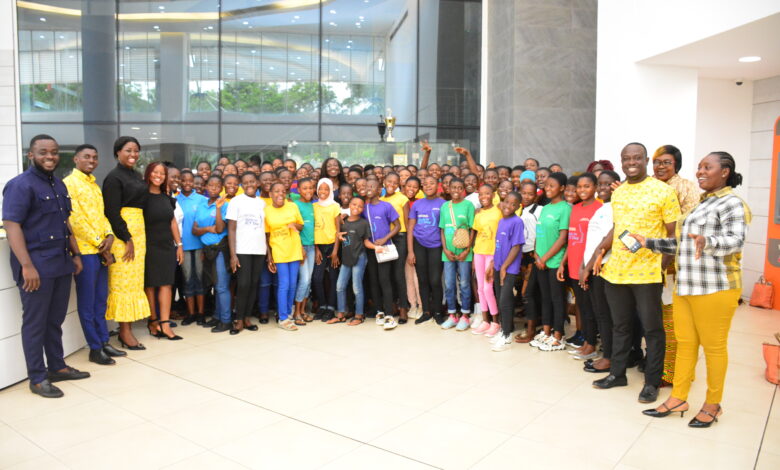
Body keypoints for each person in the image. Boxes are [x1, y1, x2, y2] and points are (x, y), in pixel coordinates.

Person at [638, 152, 750, 427]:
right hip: (686, 286)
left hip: (716, 287)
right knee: (685, 344)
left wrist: (708, 240)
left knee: (713, 348)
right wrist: (649, 243)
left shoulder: (732, 203)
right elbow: (683, 244)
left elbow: (736, 240)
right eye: (699, 167)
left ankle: (713, 404)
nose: (700, 171)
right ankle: (679, 397)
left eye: (707, 167)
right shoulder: (700, 204)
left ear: (725, 172)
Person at [593, 143, 681, 404]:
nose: (631, 162)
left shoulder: (663, 191)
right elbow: (617, 228)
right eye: (626, 158)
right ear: (621, 162)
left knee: (652, 330)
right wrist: (600, 254)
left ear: (645, 160)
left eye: (637, 158)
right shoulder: (618, 194)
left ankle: (652, 382)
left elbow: (672, 236)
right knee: (620, 326)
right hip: (616, 272)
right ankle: (617, 374)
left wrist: (662, 267)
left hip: (647, 274)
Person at [3, 134, 89, 398]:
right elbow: (11, 225)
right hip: (36, 267)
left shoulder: (58, 185)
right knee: (35, 323)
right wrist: (26, 266)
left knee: (55, 320)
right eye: (43, 152)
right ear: (31, 155)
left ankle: (57, 367)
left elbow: (65, 222)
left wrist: (75, 254)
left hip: (61, 263)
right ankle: (38, 378)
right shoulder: (20, 185)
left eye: (53, 152)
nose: (50, 156)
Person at [64, 144, 126, 365]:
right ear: (76, 159)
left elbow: (102, 216)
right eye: (86, 157)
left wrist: (109, 236)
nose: (91, 160)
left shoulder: (94, 185)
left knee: (101, 300)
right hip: (86, 251)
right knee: (88, 302)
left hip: (102, 250)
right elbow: (75, 220)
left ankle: (104, 341)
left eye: (95, 157)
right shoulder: (69, 184)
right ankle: (94, 347)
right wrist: (101, 243)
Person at [103, 136, 152, 350]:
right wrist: (127, 238)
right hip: (125, 235)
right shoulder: (113, 178)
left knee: (134, 283)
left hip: (138, 234)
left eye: (136, 151)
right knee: (123, 283)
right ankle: (125, 331)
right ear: (117, 152)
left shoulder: (136, 175)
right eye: (128, 150)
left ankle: (128, 327)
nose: (133, 154)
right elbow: (111, 212)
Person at [580, 170, 620, 373]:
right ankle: (608, 354)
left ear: (617, 185)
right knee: (600, 313)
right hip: (592, 266)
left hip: (603, 268)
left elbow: (609, 240)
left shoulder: (617, 208)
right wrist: (584, 265)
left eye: (608, 184)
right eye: (601, 184)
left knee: (606, 315)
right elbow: (591, 241)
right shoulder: (602, 208)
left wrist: (589, 266)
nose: (603, 188)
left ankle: (609, 358)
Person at [558, 173, 601, 359]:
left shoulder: (599, 208)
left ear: (595, 187)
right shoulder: (574, 208)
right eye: (580, 187)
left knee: (591, 308)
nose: (582, 190)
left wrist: (588, 267)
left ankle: (592, 344)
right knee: (582, 307)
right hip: (574, 265)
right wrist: (563, 263)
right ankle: (586, 341)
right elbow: (571, 238)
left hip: (589, 267)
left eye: (587, 186)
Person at [143, 162, 184, 341]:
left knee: (166, 284)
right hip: (148, 246)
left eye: (162, 173)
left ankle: (165, 324)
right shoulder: (141, 196)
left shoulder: (167, 197)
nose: (158, 176)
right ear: (149, 174)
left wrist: (179, 245)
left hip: (166, 246)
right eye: (155, 172)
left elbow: (172, 222)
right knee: (151, 285)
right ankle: (153, 321)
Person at [530, 172, 570, 351]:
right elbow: (539, 234)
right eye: (546, 186)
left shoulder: (565, 208)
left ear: (562, 188)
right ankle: (546, 332)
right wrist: (537, 257)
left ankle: (558, 336)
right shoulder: (544, 208)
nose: (547, 189)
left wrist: (545, 258)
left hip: (554, 262)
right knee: (545, 298)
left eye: (552, 186)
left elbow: (562, 238)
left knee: (557, 299)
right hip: (540, 262)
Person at [333, 197, 383, 325]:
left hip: (359, 258)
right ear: (349, 205)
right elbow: (337, 225)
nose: (356, 207)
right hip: (346, 258)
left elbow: (366, 242)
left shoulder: (363, 223)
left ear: (363, 208)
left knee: (356, 287)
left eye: (360, 206)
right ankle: (341, 314)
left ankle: (359, 315)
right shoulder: (343, 221)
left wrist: (376, 247)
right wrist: (338, 233)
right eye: (354, 204)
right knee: (340, 286)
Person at [227, 171, 266, 335]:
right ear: (242, 185)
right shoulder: (236, 201)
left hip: (259, 249)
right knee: (243, 285)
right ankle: (238, 319)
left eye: (252, 181)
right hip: (242, 250)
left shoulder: (262, 203)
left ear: (257, 183)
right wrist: (233, 254)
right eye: (246, 182)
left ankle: (247, 317)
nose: (249, 184)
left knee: (253, 284)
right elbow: (231, 228)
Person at [487, 192, 525, 351]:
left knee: (505, 300)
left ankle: (507, 334)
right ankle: (504, 330)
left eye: (513, 204)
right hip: (498, 266)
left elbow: (516, 246)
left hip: (509, 268)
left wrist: (504, 267)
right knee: (499, 297)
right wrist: (494, 263)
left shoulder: (517, 222)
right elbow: (499, 244)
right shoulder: (502, 220)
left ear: (518, 207)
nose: (508, 206)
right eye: (506, 202)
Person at [265, 182, 304, 331]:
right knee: (284, 284)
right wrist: (269, 256)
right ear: (270, 194)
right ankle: (282, 318)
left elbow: (301, 225)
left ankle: (288, 313)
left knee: (293, 284)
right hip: (279, 251)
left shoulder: (293, 206)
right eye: (276, 191)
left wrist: (294, 225)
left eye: (283, 191)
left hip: (294, 249)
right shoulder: (267, 211)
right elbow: (266, 236)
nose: (280, 194)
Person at [193, 176, 230, 333]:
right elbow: (194, 230)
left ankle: (226, 320)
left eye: (217, 185)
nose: (214, 187)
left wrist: (218, 208)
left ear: (221, 187)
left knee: (222, 286)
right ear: (206, 186)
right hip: (206, 250)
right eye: (211, 185)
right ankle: (217, 316)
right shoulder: (202, 205)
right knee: (215, 285)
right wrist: (208, 229)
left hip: (220, 249)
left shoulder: (225, 205)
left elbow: (220, 229)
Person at [407, 176, 445, 325]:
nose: (429, 186)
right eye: (426, 184)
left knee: (435, 280)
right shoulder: (417, 204)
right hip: (419, 245)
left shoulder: (443, 204)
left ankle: (438, 312)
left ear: (438, 185)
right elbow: (410, 227)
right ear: (422, 187)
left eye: (432, 183)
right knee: (422, 280)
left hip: (436, 245)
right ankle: (426, 312)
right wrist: (410, 251)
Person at [363, 179, 400, 330]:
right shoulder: (363, 208)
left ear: (379, 190)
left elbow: (398, 226)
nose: (368, 188)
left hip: (384, 248)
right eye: (367, 186)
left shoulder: (387, 206)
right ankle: (379, 311)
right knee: (373, 280)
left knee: (385, 280)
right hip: (371, 249)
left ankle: (389, 315)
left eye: (372, 186)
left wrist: (385, 238)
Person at [439, 178, 475, 330]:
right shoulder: (445, 206)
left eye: (459, 187)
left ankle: (465, 315)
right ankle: (452, 314)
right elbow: (441, 229)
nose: (456, 190)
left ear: (463, 190)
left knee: (465, 283)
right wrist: (445, 249)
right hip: (448, 253)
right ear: (448, 188)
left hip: (464, 252)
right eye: (453, 187)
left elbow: (473, 228)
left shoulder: (468, 205)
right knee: (448, 284)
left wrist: (467, 250)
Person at [176, 170, 208, 325]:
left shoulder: (202, 199)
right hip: (183, 247)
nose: (187, 183)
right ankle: (191, 313)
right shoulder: (175, 200)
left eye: (190, 181)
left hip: (200, 245)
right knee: (187, 279)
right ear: (180, 182)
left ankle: (201, 313)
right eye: (184, 180)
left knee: (200, 279)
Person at [470, 184, 501, 337]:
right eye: (481, 194)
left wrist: (496, 258)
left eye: (487, 193)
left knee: (488, 288)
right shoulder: (478, 213)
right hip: (479, 253)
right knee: (480, 288)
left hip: (492, 254)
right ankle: (485, 321)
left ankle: (496, 322)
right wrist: (473, 259)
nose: (484, 197)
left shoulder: (499, 211)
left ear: (493, 195)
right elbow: (476, 234)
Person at [381, 172, 411, 323]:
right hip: (385, 239)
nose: (392, 184)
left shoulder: (403, 198)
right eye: (389, 181)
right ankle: (390, 307)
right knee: (387, 275)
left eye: (395, 182)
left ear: (399, 184)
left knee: (398, 274)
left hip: (400, 238)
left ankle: (403, 308)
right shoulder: (379, 200)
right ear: (384, 182)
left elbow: (407, 222)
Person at [312, 178, 342, 321]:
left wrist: (335, 251)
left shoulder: (335, 206)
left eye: (326, 189)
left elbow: (338, 229)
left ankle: (330, 307)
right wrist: (316, 249)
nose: (322, 192)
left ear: (331, 191)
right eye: (320, 189)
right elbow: (312, 229)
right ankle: (322, 305)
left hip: (332, 246)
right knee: (317, 278)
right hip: (319, 247)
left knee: (332, 277)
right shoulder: (314, 206)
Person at [292, 178, 316, 324]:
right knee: (304, 279)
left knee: (308, 280)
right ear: (299, 190)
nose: (308, 191)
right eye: (305, 188)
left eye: (311, 188)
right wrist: (300, 248)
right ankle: (296, 312)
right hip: (300, 247)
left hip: (312, 247)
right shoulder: (295, 205)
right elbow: (294, 229)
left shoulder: (313, 206)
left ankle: (303, 311)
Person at [653, 145, 699, 214]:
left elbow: (690, 216)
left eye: (666, 162)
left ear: (676, 165)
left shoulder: (687, 186)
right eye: (657, 162)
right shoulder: (647, 185)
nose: (661, 166)